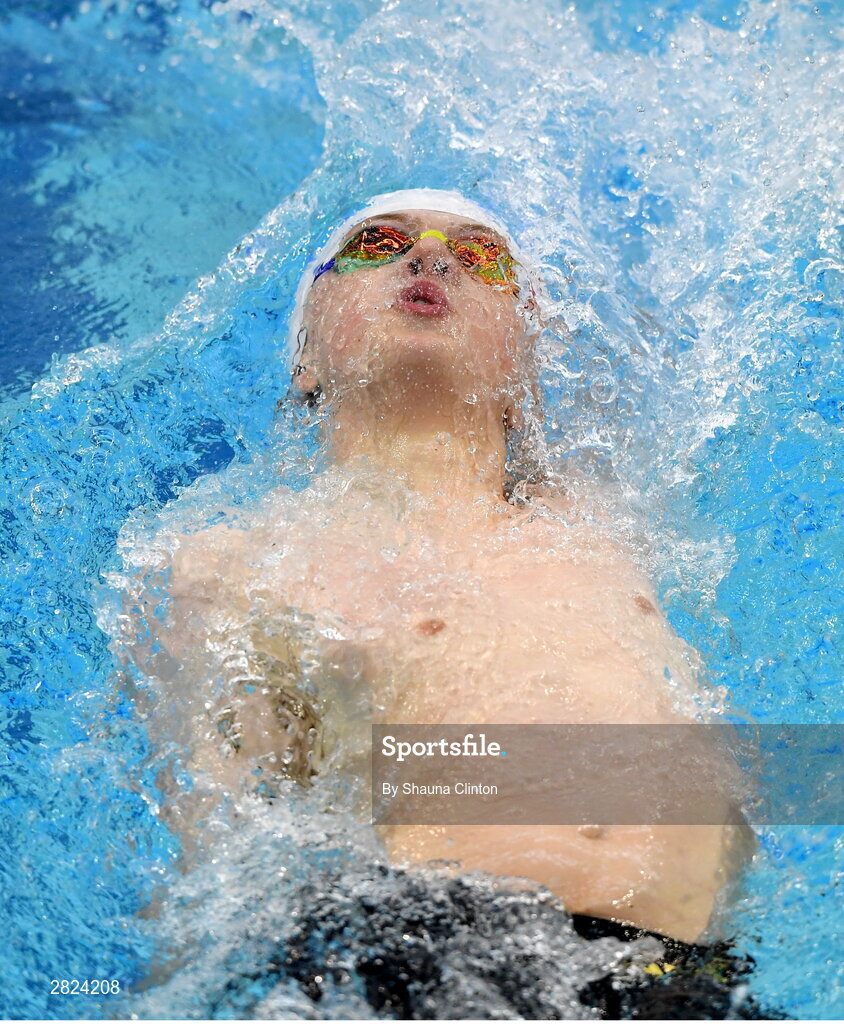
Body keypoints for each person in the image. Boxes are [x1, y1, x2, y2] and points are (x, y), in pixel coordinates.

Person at [151, 188, 765, 1011]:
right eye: (377, 242)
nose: (430, 257)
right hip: (453, 956)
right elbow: (217, 850)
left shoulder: (604, 518)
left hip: (690, 978)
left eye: (481, 259)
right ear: (304, 354)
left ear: (522, 373)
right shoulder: (237, 561)